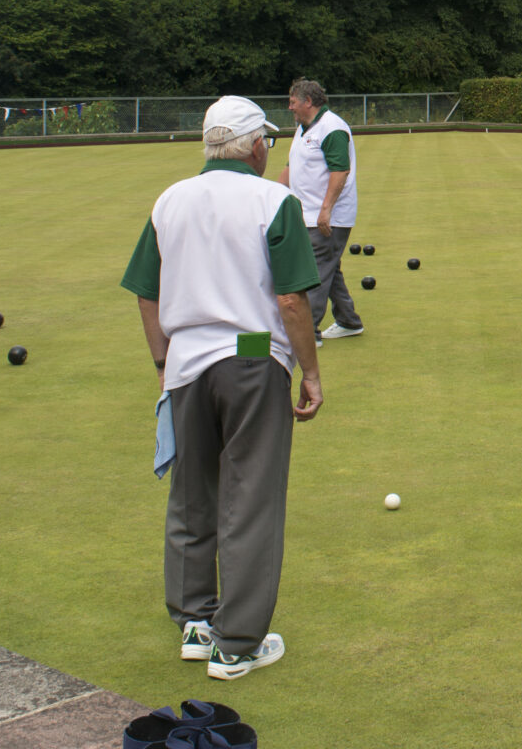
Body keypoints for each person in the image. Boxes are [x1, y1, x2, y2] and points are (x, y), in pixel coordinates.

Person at [121, 95, 322, 681]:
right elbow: (291, 300)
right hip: (252, 353)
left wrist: (163, 362)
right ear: (255, 145)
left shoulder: (170, 199)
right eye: (268, 141)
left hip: (186, 360)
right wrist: (310, 372)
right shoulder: (274, 200)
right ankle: (235, 643)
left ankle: (195, 621)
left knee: (192, 493)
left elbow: (147, 292)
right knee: (250, 497)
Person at [280, 80, 363, 341]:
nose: (290, 107)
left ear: (308, 101)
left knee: (315, 271)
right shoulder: (302, 129)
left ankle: (308, 333)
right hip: (308, 214)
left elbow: (340, 171)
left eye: (293, 102)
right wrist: (272, 197)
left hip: (327, 217)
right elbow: (291, 167)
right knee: (329, 268)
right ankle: (348, 321)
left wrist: (326, 210)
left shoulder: (332, 128)